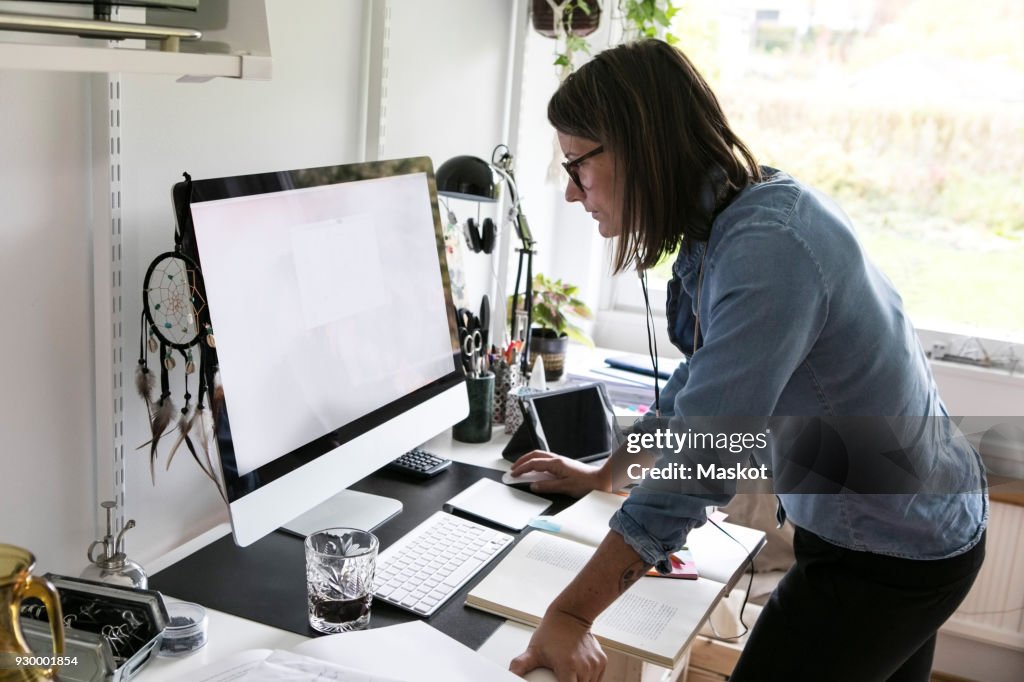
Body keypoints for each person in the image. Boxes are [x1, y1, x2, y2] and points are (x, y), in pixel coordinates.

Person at [507, 40, 987, 682]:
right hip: (895, 521)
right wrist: (607, 473)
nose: (572, 193)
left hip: (894, 549)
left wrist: (569, 617)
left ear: (639, 148)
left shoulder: (767, 251)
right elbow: (698, 386)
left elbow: (704, 455)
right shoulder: (733, 219)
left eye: (577, 166)